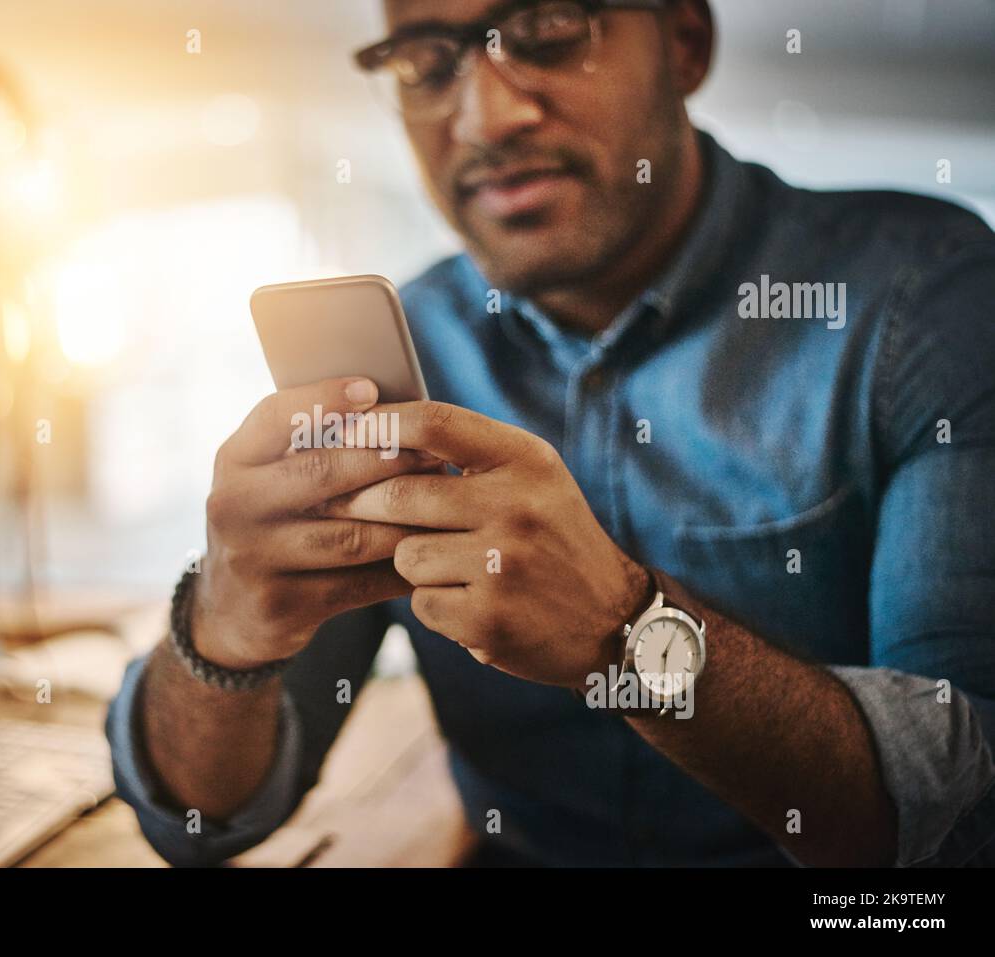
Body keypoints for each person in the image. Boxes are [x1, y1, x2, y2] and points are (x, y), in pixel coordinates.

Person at [106, 0, 995, 866]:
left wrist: (624, 629)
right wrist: (222, 624)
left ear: (685, 42)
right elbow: (195, 823)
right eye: (424, 62)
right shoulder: (402, 357)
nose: (486, 116)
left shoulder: (927, 304)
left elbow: (966, 814)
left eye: (548, 32)